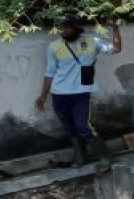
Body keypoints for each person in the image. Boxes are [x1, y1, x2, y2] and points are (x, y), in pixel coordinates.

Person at [34, 16, 122, 165]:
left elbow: (116, 49)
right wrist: (42, 96)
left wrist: (115, 29)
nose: (63, 31)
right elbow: (50, 72)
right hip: (59, 94)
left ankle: (105, 157)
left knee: (83, 126)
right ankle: (81, 158)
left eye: (66, 27)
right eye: (61, 28)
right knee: (69, 128)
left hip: (81, 93)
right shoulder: (54, 46)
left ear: (74, 26)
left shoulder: (92, 41)